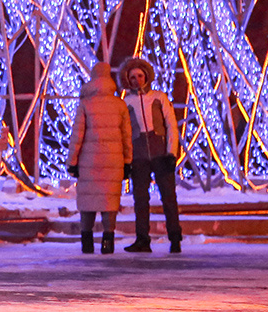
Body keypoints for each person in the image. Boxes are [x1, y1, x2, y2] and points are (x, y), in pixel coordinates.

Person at [116, 56, 182, 254]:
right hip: (139, 156)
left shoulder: (159, 97)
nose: (137, 80)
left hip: (161, 153)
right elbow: (124, 133)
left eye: (140, 75)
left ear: (147, 76)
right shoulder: (126, 102)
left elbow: (171, 125)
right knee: (140, 199)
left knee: (169, 198)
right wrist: (127, 160)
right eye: (133, 77)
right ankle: (142, 239)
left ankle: (175, 238)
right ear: (128, 80)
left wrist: (172, 152)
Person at [67, 61, 131, 255]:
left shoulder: (86, 104)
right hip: (114, 161)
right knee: (109, 203)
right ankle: (107, 243)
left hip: (89, 161)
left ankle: (86, 243)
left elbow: (77, 136)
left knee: (87, 203)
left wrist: (72, 162)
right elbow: (126, 136)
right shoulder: (119, 105)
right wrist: (128, 161)